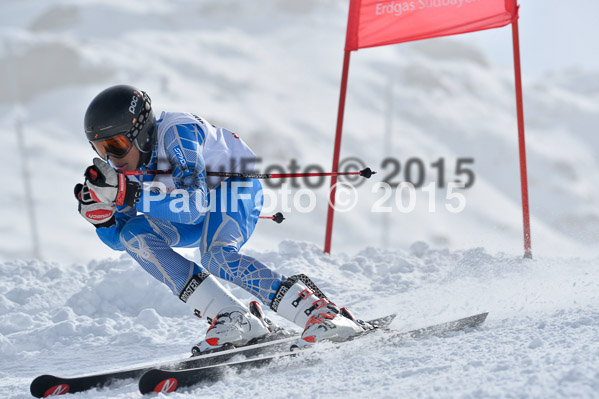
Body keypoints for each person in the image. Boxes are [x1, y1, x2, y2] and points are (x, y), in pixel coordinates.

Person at [74, 84, 368, 352]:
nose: (112, 158)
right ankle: (234, 318)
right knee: (134, 236)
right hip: (189, 210)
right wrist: (103, 219)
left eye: (116, 146)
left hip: (234, 190)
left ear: (140, 131)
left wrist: (129, 194)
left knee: (215, 255)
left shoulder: (178, 133)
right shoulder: (125, 168)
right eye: (101, 150)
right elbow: (120, 239)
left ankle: (322, 312)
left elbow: (194, 206)